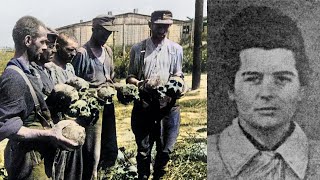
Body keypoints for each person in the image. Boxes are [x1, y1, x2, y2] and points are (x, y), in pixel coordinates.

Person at [208, 6, 320, 179]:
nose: (267, 93)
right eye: (253, 79)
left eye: (282, 79)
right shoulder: (208, 159)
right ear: (231, 89)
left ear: (301, 89)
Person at [0, 15, 79, 180]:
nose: (47, 48)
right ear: (28, 40)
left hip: (39, 155)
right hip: (27, 160)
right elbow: (7, 128)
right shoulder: (14, 77)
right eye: (43, 42)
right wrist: (49, 134)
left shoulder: (33, 71)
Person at [126, 10, 184, 180]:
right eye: (159, 26)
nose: (162, 30)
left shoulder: (176, 50)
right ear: (150, 25)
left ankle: (159, 176)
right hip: (145, 106)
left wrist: (179, 83)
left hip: (168, 107)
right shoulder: (139, 49)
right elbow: (130, 77)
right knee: (144, 150)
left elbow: (178, 74)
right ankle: (143, 177)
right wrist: (140, 84)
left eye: (166, 26)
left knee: (165, 150)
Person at [72, 14, 118, 179]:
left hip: (108, 105)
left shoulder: (108, 51)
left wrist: (117, 87)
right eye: (104, 32)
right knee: (92, 150)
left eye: (110, 33)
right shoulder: (82, 53)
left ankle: (104, 174)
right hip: (91, 109)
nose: (107, 36)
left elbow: (111, 77)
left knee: (109, 145)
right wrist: (94, 92)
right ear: (94, 30)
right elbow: (74, 85)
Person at [45, 32, 83, 180]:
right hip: (56, 125)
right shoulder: (49, 69)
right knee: (56, 167)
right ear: (58, 47)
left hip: (72, 123)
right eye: (69, 50)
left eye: (75, 50)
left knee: (70, 167)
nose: (73, 54)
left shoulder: (69, 67)